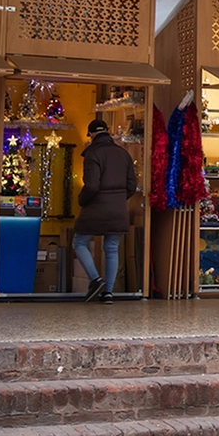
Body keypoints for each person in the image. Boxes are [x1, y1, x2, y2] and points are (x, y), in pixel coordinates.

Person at [74, 118, 138, 304]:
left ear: (92, 134)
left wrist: (82, 200)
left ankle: (96, 280)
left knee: (79, 241)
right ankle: (108, 293)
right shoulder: (123, 154)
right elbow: (131, 186)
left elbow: (92, 185)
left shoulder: (92, 153)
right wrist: (118, 199)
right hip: (118, 209)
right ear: (108, 131)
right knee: (111, 248)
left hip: (96, 206)